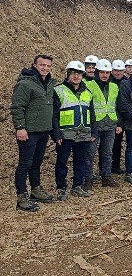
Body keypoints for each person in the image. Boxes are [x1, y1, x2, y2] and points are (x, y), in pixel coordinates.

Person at [10, 54, 56, 211]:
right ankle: (21, 197)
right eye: (42, 65)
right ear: (34, 65)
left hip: (43, 130)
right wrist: (20, 127)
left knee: (37, 163)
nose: (45, 68)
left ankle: (35, 190)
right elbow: (17, 107)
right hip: (29, 131)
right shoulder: (25, 84)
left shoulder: (49, 83)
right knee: (25, 164)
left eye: (48, 66)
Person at [52, 61, 95, 200]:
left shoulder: (87, 93)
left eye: (79, 74)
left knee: (80, 161)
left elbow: (92, 114)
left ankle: (77, 186)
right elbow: (53, 114)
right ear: (68, 74)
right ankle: (61, 188)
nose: (76, 76)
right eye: (73, 73)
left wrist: (93, 131)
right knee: (62, 161)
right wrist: (56, 133)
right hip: (65, 134)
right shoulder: (58, 90)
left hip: (83, 133)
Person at [85, 59, 120, 189]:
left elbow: (116, 106)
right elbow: (87, 107)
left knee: (107, 153)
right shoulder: (89, 86)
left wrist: (118, 123)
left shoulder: (114, 87)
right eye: (102, 72)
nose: (105, 75)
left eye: (107, 72)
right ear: (97, 72)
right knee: (90, 153)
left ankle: (106, 176)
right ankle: (87, 179)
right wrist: (90, 126)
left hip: (110, 124)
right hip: (95, 126)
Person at [110, 60, 127, 175]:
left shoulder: (127, 82)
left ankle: (115, 166)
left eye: (120, 70)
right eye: (116, 70)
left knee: (119, 143)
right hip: (112, 117)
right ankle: (105, 167)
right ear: (112, 71)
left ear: (124, 71)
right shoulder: (108, 82)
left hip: (126, 117)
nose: (118, 72)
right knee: (111, 144)